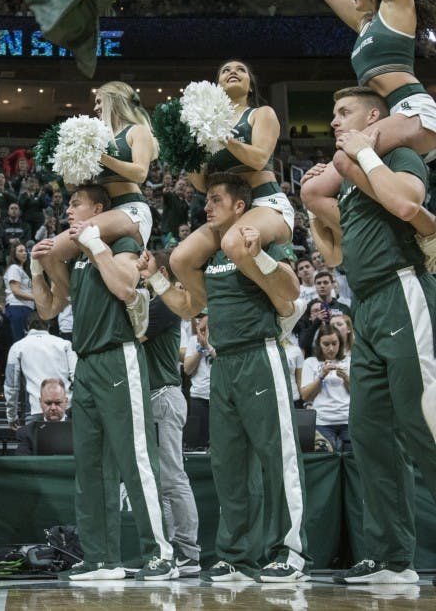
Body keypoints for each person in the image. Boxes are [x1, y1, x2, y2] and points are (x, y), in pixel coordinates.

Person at [140, 172, 309, 583]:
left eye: (215, 200)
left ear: (239, 207)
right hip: (223, 363)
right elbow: (188, 306)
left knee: (277, 457)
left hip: (260, 353)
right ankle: (237, 555)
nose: (206, 206)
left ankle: (290, 551)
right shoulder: (210, 256)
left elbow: (290, 289)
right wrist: (157, 279)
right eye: (206, 200)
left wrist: (261, 256)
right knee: (228, 465)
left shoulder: (258, 238)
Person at [301, 86, 436, 584]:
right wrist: (315, 199)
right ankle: (391, 558)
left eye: (344, 113)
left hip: (405, 290)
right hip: (368, 306)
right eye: (333, 113)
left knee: (424, 424)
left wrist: (358, 159)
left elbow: (406, 204)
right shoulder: (356, 183)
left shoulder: (398, 154)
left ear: (375, 116)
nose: (334, 122)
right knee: (371, 435)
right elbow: (337, 256)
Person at [32, 182, 175, 581]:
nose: (68, 211)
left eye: (76, 204)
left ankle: (160, 552)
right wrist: (38, 265)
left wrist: (96, 244)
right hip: (86, 364)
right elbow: (49, 308)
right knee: (90, 467)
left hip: (119, 356)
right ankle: (101, 558)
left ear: (98, 208)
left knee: (136, 459)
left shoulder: (125, 240)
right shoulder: (76, 254)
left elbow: (126, 287)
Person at [311, 0, 436, 267]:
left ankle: (427, 232)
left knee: (344, 156)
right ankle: (370, 235)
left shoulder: (398, 4)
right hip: (393, 118)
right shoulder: (364, 23)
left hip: (414, 111)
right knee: (314, 190)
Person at [169, 61, 304, 340]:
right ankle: (220, 308)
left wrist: (222, 135)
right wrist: (186, 150)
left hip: (265, 203)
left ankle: (285, 308)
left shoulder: (260, 114)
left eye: (241, 69)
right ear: (216, 86)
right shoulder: (202, 126)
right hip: (228, 209)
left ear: (250, 85)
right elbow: (200, 184)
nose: (233, 71)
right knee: (180, 259)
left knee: (233, 241)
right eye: (225, 70)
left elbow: (258, 158)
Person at [43, 81, 157, 337]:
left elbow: (140, 173)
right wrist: (70, 158)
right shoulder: (97, 136)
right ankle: (77, 301)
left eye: (98, 101)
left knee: (82, 232)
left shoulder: (136, 131)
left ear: (114, 101)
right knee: (50, 252)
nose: (94, 107)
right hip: (105, 213)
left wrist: (101, 156)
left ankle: (135, 299)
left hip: (131, 209)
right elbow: (75, 184)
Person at [140, 249, 200, 575]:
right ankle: (170, 550)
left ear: (160, 269)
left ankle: (189, 553)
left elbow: (135, 332)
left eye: (143, 264)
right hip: (155, 397)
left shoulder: (167, 301)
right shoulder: (155, 301)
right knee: (161, 482)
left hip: (163, 395)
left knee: (173, 479)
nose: (137, 267)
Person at [3, 312, 77, 428]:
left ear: (27, 327)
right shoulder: (65, 344)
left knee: (36, 446)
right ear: (48, 325)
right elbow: (76, 378)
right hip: (65, 408)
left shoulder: (17, 347)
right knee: (66, 445)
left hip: (35, 409)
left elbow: (11, 386)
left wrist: (11, 415)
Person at [299, 323, 351, 452]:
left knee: (352, 456)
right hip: (322, 422)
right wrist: (321, 375)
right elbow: (305, 396)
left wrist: (346, 378)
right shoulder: (310, 362)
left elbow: (360, 393)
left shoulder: (349, 361)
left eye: (334, 343)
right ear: (319, 344)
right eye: (326, 344)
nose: (331, 348)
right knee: (326, 457)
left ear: (340, 343)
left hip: (348, 420)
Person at [181, 312, 213, 450]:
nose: (202, 331)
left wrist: (208, 346)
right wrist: (200, 349)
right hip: (198, 396)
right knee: (199, 442)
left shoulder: (220, 340)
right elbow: (187, 369)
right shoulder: (193, 341)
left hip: (218, 396)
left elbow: (222, 361)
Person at [14, 379, 70, 456]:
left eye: (58, 403)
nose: (53, 408)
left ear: (66, 402)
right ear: (40, 402)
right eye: (48, 403)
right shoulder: (26, 433)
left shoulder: (79, 431)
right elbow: (21, 464)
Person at [2, 242, 35, 344]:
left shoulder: (23, 270)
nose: (24, 253)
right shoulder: (14, 268)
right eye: (20, 251)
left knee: (24, 341)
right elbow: (16, 291)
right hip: (17, 307)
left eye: (25, 251)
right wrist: (37, 298)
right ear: (14, 254)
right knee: (19, 341)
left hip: (25, 308)